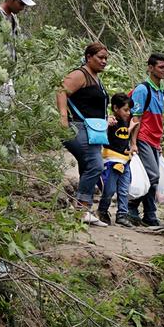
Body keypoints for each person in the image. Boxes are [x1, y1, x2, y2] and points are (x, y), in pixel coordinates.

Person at [57, 42, 110, 226]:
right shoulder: (81, 74)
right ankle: (81, 209)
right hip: (78, 127)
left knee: (86, 166)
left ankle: (84, 211)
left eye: (106, 59)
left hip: (94, 131)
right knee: (95, 165)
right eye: (100, 58)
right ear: (89, 57)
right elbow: (62, 90)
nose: (104, 62)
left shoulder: (95, 77)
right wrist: (63, 117)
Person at [127, 53, 164, 227]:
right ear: (150, 68)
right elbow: (135, 118)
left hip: (154, 140)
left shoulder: (161, 91)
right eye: (161, 67)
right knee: (153, 176)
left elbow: (158, 118)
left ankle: (141, 211)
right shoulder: (143, 90)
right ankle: (142, 211)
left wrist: (159, 143)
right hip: (143, 137)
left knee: (151, 176)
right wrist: (133, 143)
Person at [0, 0, 34, 108]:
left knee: (7, 112)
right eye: (21, 3)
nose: (23, 7)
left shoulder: (13, 18)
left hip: (6, 76)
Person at [97, 93, 137, 227]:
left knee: (124, 189)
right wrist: (107, 124)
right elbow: (102, 134)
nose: (128, 113)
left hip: (125, 161)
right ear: (115, 108)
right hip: (112, 161)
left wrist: (131, 129)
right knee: (110, 188)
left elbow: (123, 135)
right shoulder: (111, 120)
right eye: (125, 110)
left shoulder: (125, 121)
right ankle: (102, 211)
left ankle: (122, 215)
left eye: (129, 110)